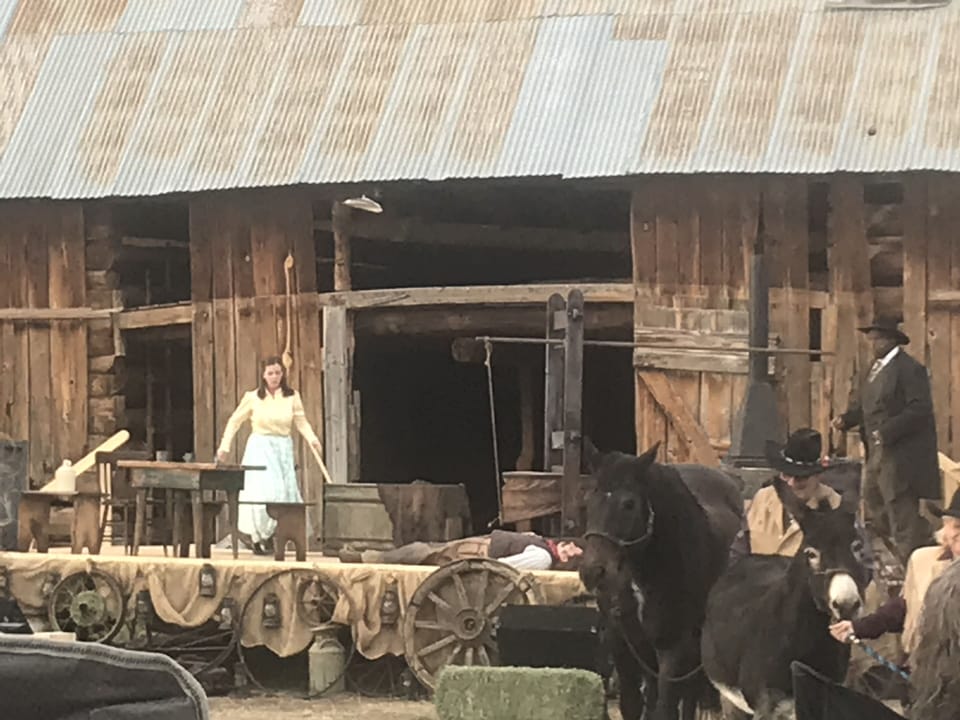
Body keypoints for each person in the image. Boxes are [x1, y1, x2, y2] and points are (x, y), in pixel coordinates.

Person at [832, 317, 940, 565]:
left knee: (899, 504)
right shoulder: (873, 369)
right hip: (876, 450)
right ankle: (911, 545)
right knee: (872, 498)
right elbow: (868, 408)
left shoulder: (909, 369)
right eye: (871, 338)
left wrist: (888, 431)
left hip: (901, 453)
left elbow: (919, 408)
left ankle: (910, 561)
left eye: (878, 338)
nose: (873, 343)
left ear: (892, 341)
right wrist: (846, 420)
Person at [828, 489, 960, 664]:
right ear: (946, 527)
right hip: (919, 666)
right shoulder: (923, 560)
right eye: (957, 526)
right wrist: (858, 627)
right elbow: (905, 607)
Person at [216, 355, 322, 555]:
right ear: (263, 375)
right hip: (261, 447)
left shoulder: (292, 396)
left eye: (278, 373)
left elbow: (301, 421)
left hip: (282, 448)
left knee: (284, 492)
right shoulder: (253, 397)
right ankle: (257, 537)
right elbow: (234, 421)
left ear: (283, 374)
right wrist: (225, 446)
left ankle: (276, 536)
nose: (275, 377)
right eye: (270, 373)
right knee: (263, 492)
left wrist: (313, 439)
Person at [731, 428, 848, 560]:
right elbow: (737, 552)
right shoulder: (763, 498)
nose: (791, 483)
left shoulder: (837, 509)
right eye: (786, 475)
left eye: (800, 478)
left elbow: (857, 565)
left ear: (817, 476)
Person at [337, 529, 584, 571]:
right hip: (477, 545)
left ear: (564, 559)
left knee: (420, 552)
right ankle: (366, 554)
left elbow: (504, 568)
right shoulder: (544, 546)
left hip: (476, 554)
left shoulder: (542, 557)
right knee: (421, 549)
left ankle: (363, 558)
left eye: (573, 551)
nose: (571, 545)